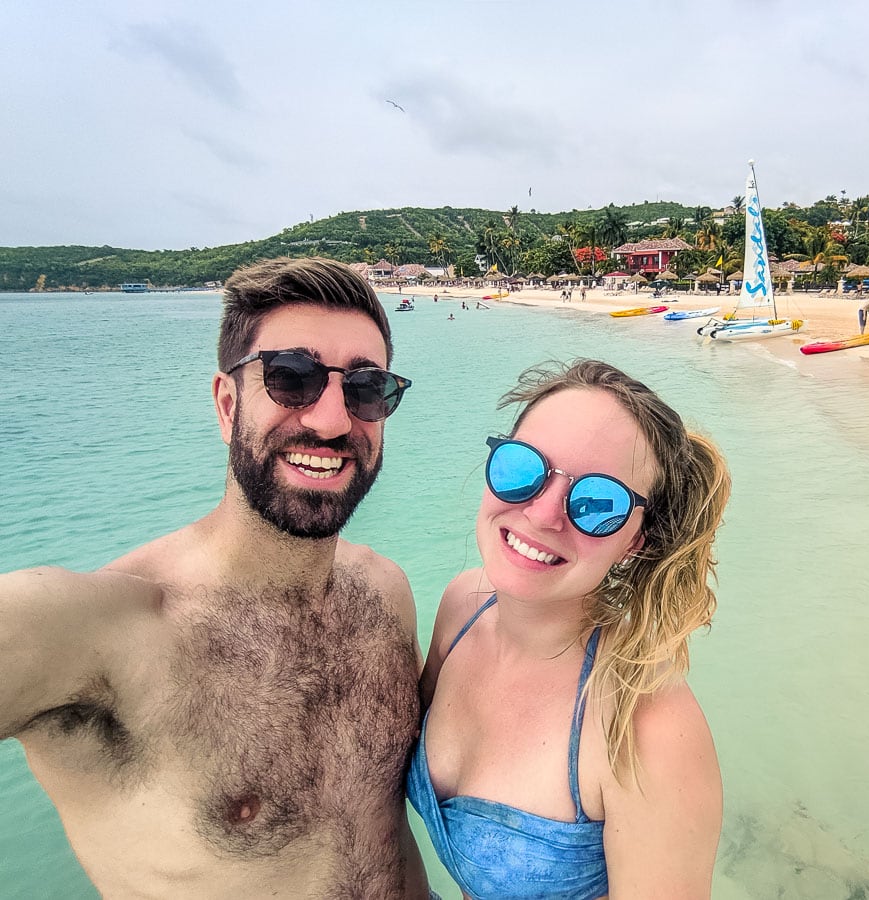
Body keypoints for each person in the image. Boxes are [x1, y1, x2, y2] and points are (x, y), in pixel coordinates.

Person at [0, 257, 429, 898]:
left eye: (366, 389)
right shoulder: (97, 633)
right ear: (227, 405)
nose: (333, 420)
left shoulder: (386, 594)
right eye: (291, 378)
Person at [408, 359, 731, 898]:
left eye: (597, 503)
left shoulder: (648, 727)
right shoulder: (461, 607)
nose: (542, 515)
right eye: (521, 468)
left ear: (636, 540)